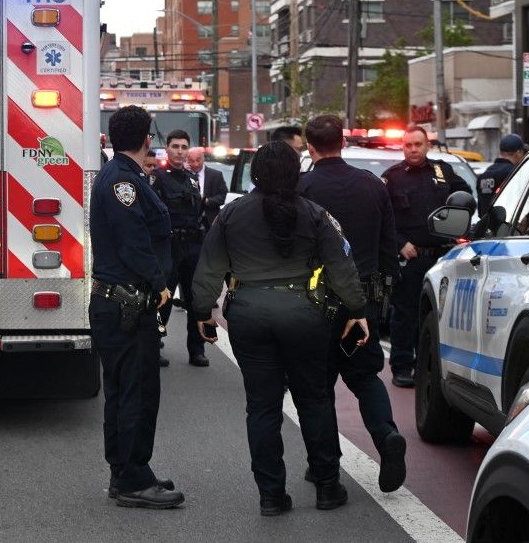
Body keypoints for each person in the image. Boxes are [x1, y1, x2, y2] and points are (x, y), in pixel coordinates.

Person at [192, 142, 370, 515]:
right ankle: (326, 486)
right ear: (295, 173)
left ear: (255, 174)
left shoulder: (231, 215)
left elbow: (209, 267)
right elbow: (341, 266)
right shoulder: (316, 214)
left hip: (248, 314)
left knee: (262, 406)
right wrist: (357, 309)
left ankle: (271, 495)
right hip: (304, 315)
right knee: (314, 398)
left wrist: (203, 312)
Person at [297, 114, 406, 493]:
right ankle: (386, 434)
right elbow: (388, 245)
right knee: (364, 376)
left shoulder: (303, 187)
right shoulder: (373, 185)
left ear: (310, 146)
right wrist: (386, 295)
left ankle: (324, 466)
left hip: (316, 301)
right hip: (364, 299)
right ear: (342, 142)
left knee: (318, 385)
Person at [89, 105, 184, 509]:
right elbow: (135, 243)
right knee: (138, 393)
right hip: (128, 303)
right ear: (147, 140)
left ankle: (126, 471)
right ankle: (132, 478)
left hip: (118, 303)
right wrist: (161, 285)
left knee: (124, 391)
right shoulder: (122, 183)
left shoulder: (120, 176)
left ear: (110, 138)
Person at [382, 126, 471, 388]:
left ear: (427, 146)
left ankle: (429, 366)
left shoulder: (444, 172)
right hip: (411, 258)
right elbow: (381, 218)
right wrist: (400, 243)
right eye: (408, 145)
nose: (413, 149)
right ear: (402, 147)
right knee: (405, 314)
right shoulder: (392, 178)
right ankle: (402, 366)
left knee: (437, 315)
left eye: (418, 144)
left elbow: (466, 201)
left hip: (443, 257)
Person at [151, 130, 210, 367]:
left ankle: (197, 349)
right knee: (162, 299)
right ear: (167, 149)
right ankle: (154, 345)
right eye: (175, 146)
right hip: (169, 245)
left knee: (196, 301)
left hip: (193, 246)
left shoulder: (192, 178)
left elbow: (200, 213)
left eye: (184, 147)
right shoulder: (157, 177)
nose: (180, 151)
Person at [476, 134, 527, 217]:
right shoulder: (515, 173)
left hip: (486, 226)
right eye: (523, 152)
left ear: (500, 152)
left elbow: (481, 208)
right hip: (506, 226)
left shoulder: (484, 175)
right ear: (518, 153)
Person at [187, 146, 227, 232]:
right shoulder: (185, 175)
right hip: (191, 222)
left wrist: (207, 201)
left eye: (198, 160)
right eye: (192, 161)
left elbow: (222, 196)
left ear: (203, 158)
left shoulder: (216, 175)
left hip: (211, 220)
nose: (196, 164)